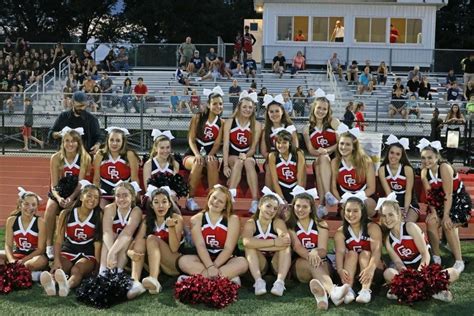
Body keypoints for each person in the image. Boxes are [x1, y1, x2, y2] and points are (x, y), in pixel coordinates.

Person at [379, 198, 459, 302]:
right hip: (408, 275)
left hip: (426, 271)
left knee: (454, 273)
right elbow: (398, 262)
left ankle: (406, 291)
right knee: (388, 273)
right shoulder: (388, 240)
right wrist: (407, 276)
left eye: (390, 215)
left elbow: (425, 254)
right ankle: (433, 291)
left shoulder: (410, 227)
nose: (387, 219)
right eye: (384, 216)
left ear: (399, 214)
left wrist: (420, 275)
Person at [418, 139, 471, 273]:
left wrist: (446, 216)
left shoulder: (444, 167)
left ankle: (459, 261)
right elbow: (430, 196)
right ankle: (436, 258)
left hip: (458, 201)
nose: (426, 161)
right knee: (431, 222)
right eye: (423, 158)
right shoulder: (424, 172)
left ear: (437, 157)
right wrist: (434, 213)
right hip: (441, 204)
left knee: (449, 224)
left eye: (430, 157)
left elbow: (449, 193)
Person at [289, 193, 349, 309]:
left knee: (319, 265)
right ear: (293, 207)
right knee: (314, 264)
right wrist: (311, 255)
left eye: (305, 207)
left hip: (321, 260)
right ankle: (333, 291)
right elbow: (297, 247)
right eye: (298, 206)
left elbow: (323, 250)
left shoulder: (320, 224)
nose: (300, 210)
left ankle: (322, 299)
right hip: (300, 264)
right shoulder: (291, 225)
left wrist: (315, 252)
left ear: (311, 208)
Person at [40, 183, 102, 297]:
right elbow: (58, 240)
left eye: (96, 197)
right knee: (61, 268)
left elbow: (98, 244)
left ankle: (66, 287)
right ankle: (51, 285)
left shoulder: (99, 215)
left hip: (87, 253)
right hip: (68, 249)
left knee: (77, 270)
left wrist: (97, 268)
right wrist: (57, 260)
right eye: (89, 196)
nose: (92, 200)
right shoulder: (66, 213)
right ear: (82, 197)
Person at [177, 185, 248, 282]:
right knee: (183, 261)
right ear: (209, 197)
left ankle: (196, 279)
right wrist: (210, 266)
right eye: (214, 198)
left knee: (243, 263)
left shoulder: (232, 219)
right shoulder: (196, 219)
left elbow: (229, 248)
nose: (215, 202)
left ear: (225, 206)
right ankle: (226, 278)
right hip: (204, 260)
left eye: (221, 201)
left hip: (226, 260)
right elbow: (200, 246)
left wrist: (213, 267)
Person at [44, 127, 91, 260]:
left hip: (77, 193)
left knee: (71, 210)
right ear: (63, 143)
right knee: (50, 208)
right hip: (59, 192)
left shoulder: (84, 158)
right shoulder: (56, 158)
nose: (70, 144)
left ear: (78, 143)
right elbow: (53, 185)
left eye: (73, 141)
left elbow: (81, 183)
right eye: (67, 141)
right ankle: (49, 245)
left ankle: (67, 244)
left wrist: (71, 197)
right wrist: (59, 198)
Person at [128, 187, 183, 297]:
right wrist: (130, 252)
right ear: (152, 205)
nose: (160, 206)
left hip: (173, 263)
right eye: (156, 202)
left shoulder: (176, 218)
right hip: (156, 263)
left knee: (151, 238)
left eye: (164, 202)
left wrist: (171, 227)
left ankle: (154, 279)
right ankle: (135, 282)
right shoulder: (148, 220)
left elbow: (174, 248)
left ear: (170, 204)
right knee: (141, 241)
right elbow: (137, 241)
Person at [334, 193, 383, 304]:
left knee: (365, 253)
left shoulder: (372, 227)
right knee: (351, 254)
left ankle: (365, 290)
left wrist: (370, 268)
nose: (351, 214)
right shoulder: (340, 232)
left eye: (355, 211)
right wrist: (340, 269)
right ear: (344, 211)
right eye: (348, 210)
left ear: (362, 212)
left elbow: (377, 251)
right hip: (351, 269)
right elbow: (340, 253)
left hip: (373, 268)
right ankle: (348, 289)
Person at [183, 88, 224, 211]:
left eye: (220, 104)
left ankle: (211, 201)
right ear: (208, 104)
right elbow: (191, 139)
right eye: (215, 103)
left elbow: (217, 144)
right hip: (192, 154)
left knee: (211, 161)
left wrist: (210, 154)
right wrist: (197, 154)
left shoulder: (222, 122)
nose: (218, 106)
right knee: (198, 162)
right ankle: (190, 199)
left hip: (210, 153)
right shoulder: (197, 117)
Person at [242, 194, 291, 296]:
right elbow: (246, 242)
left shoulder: (278, 222)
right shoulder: (251, 223)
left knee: (285, 248)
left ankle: (280, 282)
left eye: (275, 208)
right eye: (268, 206)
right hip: (260, 263)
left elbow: (286, 241)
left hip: (276, 263)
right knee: (249, 247)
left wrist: (257, 244)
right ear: (260, 205)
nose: (271, 210)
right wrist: (274, 242)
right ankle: (258, 281)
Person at [302, 90, 340, 217]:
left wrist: (327, 150)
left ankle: (322, 204)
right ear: (314, 108)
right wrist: (320, 152)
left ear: (328, 110)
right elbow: (311, 150)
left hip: (335, 158)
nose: (321, 111)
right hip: (319, 157)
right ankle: (327, 196)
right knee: (321, 160)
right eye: (319, 108)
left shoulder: (334, 123)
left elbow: (341, 143)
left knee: (320, 167)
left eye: (324, 109)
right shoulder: (307, 128)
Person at [223, 93, 262, 213]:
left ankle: (255, 201)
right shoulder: (230, 122)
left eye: (250, 107)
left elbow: (253, 147)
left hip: (248, 155)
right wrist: (224, 165)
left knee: (249, 162)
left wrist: (246, 155)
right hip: (232, 156)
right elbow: (225, 145)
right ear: (239, 107)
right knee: (239, 162)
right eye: (244, 107)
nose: (247, 110)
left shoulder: (257, 125)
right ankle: (230, 197)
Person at [1, 188, 48, 281]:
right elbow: (8, 245)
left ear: (37, 207)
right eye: (26, 204)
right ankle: (34, 276)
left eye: (33, 204)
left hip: (34, 257)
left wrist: (23, 261)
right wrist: (11, 260)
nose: (30, 207)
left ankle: (12, 272)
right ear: (20, 205)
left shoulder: (40, 222)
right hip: (18, 253)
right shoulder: (11, 220)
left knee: (39, 261)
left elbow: (41, 249)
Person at [330, 124, 377, 217]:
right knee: (348, 213)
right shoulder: (335, 162)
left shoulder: (366, 161)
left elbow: (371, 188)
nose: (343, 147)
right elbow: (333, 188)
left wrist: (357, 198)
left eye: (348, 144)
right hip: (345, 199)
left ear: (354, 146)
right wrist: (341, 201)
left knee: (365, 206)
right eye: (341, 143)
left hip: (364, 197)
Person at [99, 182, 142, 280]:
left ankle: (118, 272)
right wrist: (111, 252)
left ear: (133, 197)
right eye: (118, 196)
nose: (121, 199)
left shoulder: (136, 211)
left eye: (125, 195)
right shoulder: (110, 208)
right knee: (111, 236)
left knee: (126, 238)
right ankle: (103, 272)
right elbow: (106, 231)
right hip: (111, 246)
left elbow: (127, 233)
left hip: (128, 247)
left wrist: (113, 253)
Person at [93, 127, 139, 208]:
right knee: (101, 207)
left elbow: (134, 178)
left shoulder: (129, 154)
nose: (114, 143)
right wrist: (95, 194)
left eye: (118, 140)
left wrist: (136, 194)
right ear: (107, 141)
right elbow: (96, 178)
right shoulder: (100, 154)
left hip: (124, 192)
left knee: (118, 206)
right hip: (105, 192)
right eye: (111, 140)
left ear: (123, 142)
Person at [378, 135, 419, 222]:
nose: (394, 156)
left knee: (406, 224)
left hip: (409, 203)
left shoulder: (407, 169)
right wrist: (395, 209)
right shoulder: (382, 170)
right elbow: (388, 193)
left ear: (402, 156)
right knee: (388, 221)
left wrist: (405, 210)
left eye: (398, 154)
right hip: (391, 202)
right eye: (392, 153)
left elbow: (408, 193)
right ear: (388, 153)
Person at [260, 93, 298, 188]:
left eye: (277, 111)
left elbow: (295, 147)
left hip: (289, 158)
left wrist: (285, 158)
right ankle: (269, 194)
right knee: (269, 166)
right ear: (267, 113)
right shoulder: (266, 130)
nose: (274, 114)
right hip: (271, 159)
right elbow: (263, 151)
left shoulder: (289, 127)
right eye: (271, 112)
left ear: (282, 112)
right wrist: (275, 159)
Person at [268, 130, 306, 203]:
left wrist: (296, 197)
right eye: (278, 143)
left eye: (284, 143)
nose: (281, 145)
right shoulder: (272, 156)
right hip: (281, 189)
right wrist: (282, 199)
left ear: (290, 143)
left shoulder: (298, 153)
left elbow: (300, 178)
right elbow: (274, 180)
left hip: (295, 188)